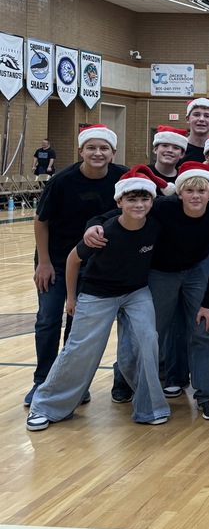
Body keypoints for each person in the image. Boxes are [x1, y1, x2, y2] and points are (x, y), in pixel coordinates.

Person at [26, 166, 171, 431]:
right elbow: (72, 260)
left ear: (152, 200)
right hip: (98, 293)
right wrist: (71, 298)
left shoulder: (155, 226)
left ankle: (150, 406)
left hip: (136, 292)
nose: (139, 204)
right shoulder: (103, 232)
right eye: (131, 199)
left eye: (144, 199)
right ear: (119, 202)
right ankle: (45, 405)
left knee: (147, 340)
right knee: (81, 348)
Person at [93, 161, 209, 419]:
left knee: (206, 329)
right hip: (161, 272)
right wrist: (94, 223)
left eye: (202, 191)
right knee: (149, 332)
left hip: (197, 269)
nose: (196, 196)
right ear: (179, 193)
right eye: (190, 191)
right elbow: (118, 217)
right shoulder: (162, 209)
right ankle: (124, 375)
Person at [26, 124, 127, 406]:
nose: (97, 153)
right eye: (91, 148)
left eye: (103, 148)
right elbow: (41, 220)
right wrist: (43, 262)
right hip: (56, 262)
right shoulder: (62, 181)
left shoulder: (121, 177)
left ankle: (71, 382)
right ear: (81, 150)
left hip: (94, 267)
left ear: (113, 152)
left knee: (77, 326)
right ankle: (42, 380)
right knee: (48, 319)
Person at [182, 97, 209, 163]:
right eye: (196, 115)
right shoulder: (179, 148)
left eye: (207, 116)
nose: (201, 119)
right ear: (187, 119)